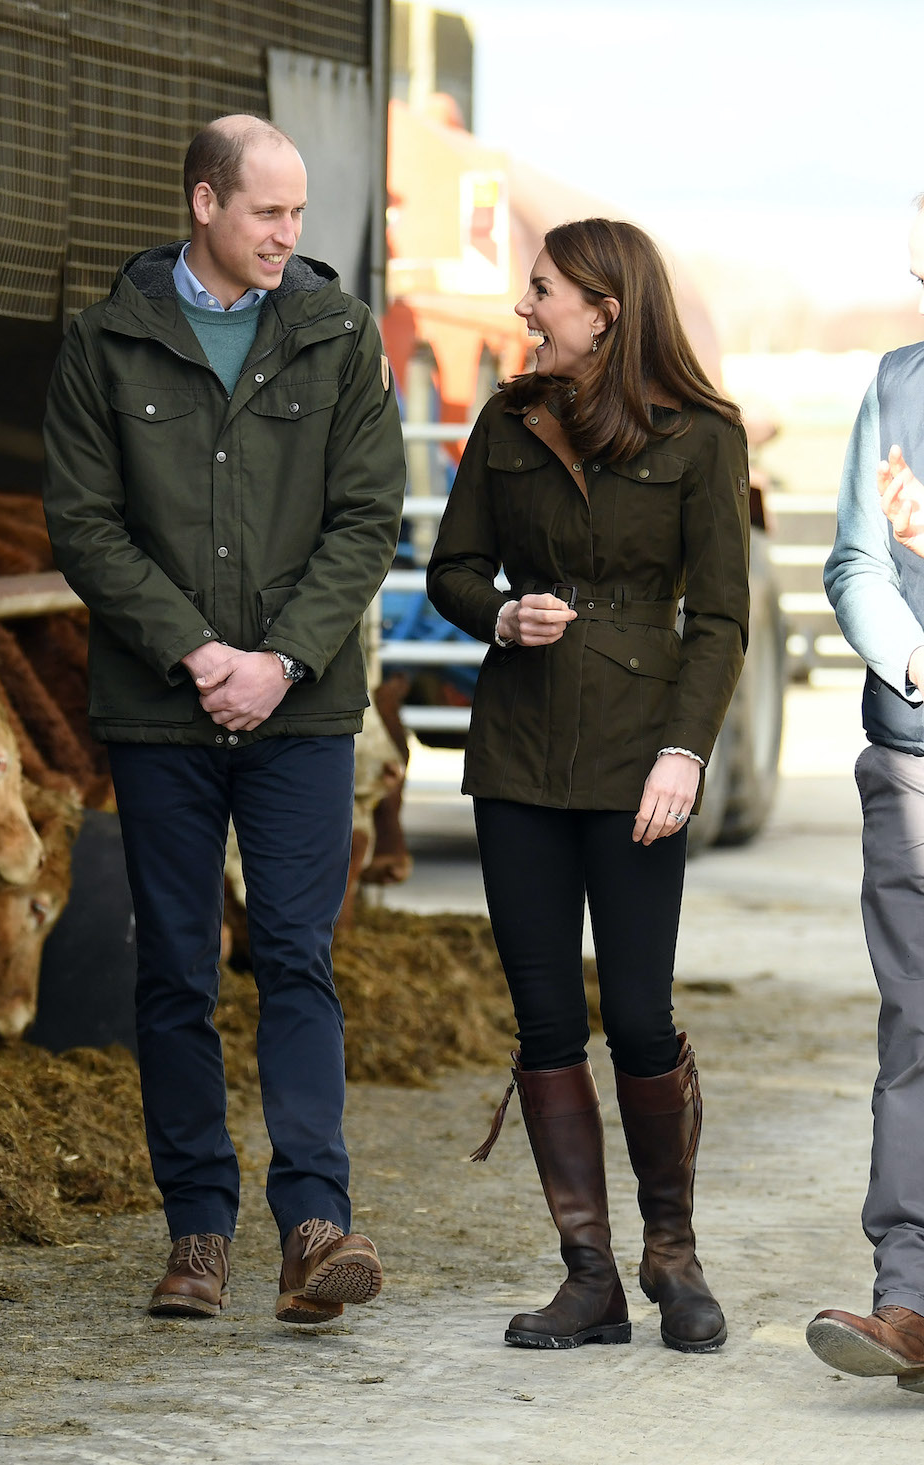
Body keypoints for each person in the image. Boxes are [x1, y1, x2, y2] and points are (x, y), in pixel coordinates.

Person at [43, 115, 405, 1323]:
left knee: (297, 955)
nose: (287, 237)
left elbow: (366, 517)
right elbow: (83, 524)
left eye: (297, 215)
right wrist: (198, 652)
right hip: (162, 709)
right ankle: (196, 1231)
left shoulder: (338, 336)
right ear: (203, 202)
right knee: (175, 969)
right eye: (267, 214)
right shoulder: (106, 343)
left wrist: (282, 659)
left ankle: (313, 1221)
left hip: (298, 714)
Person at [427, 219, 750, 1353]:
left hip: (634, 759)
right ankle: (589, 1277)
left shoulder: (701, 436)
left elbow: (717, 619)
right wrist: (499, 612)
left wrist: (684, 750)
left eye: (542, 291)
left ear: (604, 310)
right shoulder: (507, 420)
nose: (525, 308)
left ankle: (673, 1256)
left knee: (640, 1015)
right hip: (514, 753)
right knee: (543, 1020)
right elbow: (451, 569)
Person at [807, 200, 924, 1394]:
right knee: (917, 1025)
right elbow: (855, 557)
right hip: (915, 755)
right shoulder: (894, 390)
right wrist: (907, 655)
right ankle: (910, 1303)